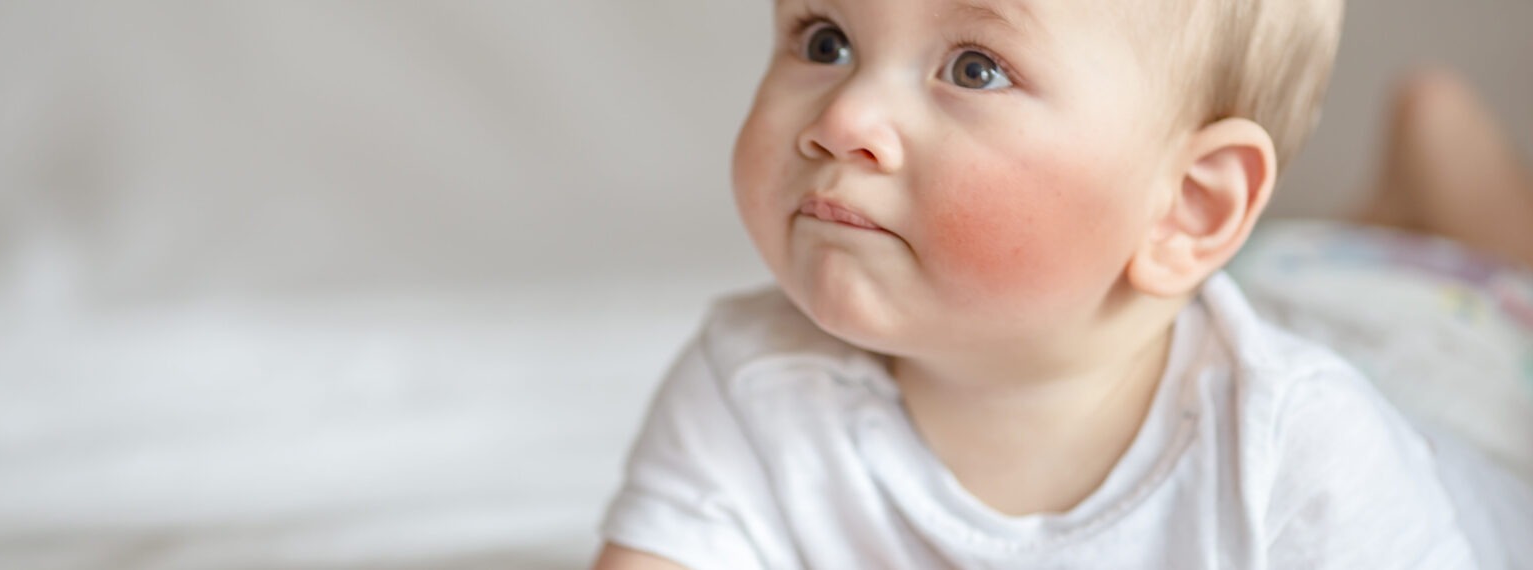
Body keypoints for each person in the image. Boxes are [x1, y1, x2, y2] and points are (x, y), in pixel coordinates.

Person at [592, 0, 1528, 567]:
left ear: (1184, 207)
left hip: (1450, 353)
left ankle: (1438, 141)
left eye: (973, 67)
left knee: (1491, 266)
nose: (844, 118)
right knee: (1307, 265)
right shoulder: (749, 383)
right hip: (1248, 277)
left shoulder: (1305, 454)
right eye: (826, 37)